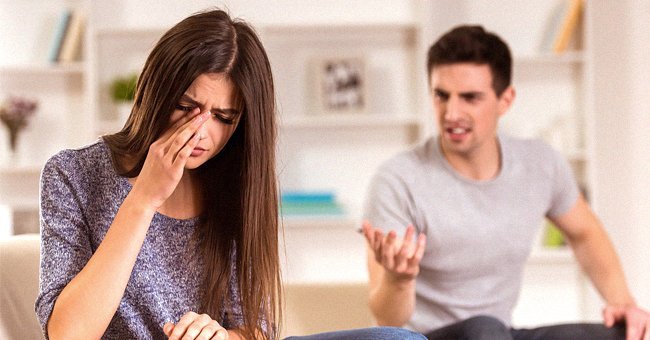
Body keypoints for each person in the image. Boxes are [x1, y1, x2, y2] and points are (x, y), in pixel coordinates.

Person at [36, 8, 424, 340]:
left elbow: (257, 328)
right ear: (155, 92)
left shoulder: (234, 184)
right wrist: (143, 200)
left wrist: (221, 336)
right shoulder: (73, 175)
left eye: (224, 117)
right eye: (187, 107)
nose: (202, 131)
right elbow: (68, 333)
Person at [361, 25, 650, 340]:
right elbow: (386, 318)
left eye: (470, 97)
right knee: (483, 327)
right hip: (428, 339)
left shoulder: (540, 164)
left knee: (622, 335)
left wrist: (623, 303)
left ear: (506, 99)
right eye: (441, 96)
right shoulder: (397, 180)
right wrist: (398, 279)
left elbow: (585, 233)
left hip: (499, 334)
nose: (451, 112)